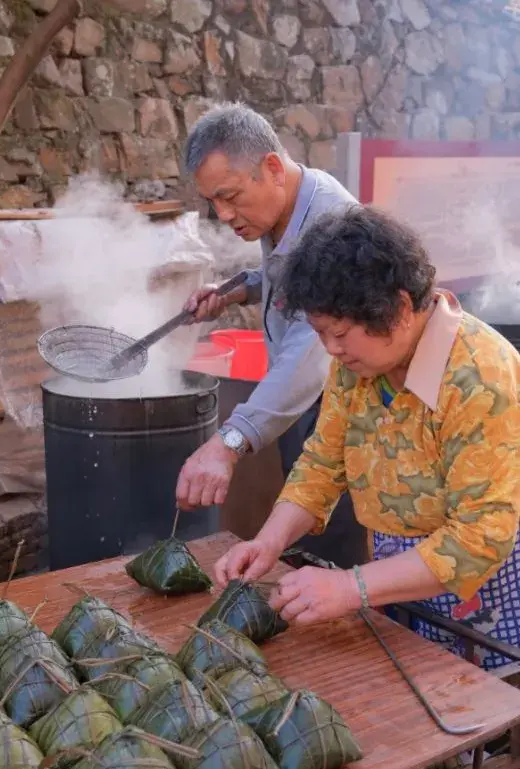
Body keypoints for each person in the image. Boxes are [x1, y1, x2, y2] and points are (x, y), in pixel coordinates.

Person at [215, 204, 520, 672]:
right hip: (392, 575)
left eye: (339, 334)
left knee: (476, 718)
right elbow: (322, 463)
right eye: (321, 333)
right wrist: (269, 542)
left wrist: (351, 587)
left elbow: (480, 537)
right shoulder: (355, 365)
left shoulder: (480, 376)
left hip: (479, 595)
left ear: (398, 309)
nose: (330, 350)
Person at [175, 102, 366, 567]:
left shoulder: (331, 224)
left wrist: (229, 441)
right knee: (302, 537)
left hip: (340, 409)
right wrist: (236, 291)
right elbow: (288, 279)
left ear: (273, 168)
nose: (223, 214)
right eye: (212, 201)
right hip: (308, 408)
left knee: (328, 549)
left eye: (231, 196)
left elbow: (309, 351)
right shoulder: (284, 209)